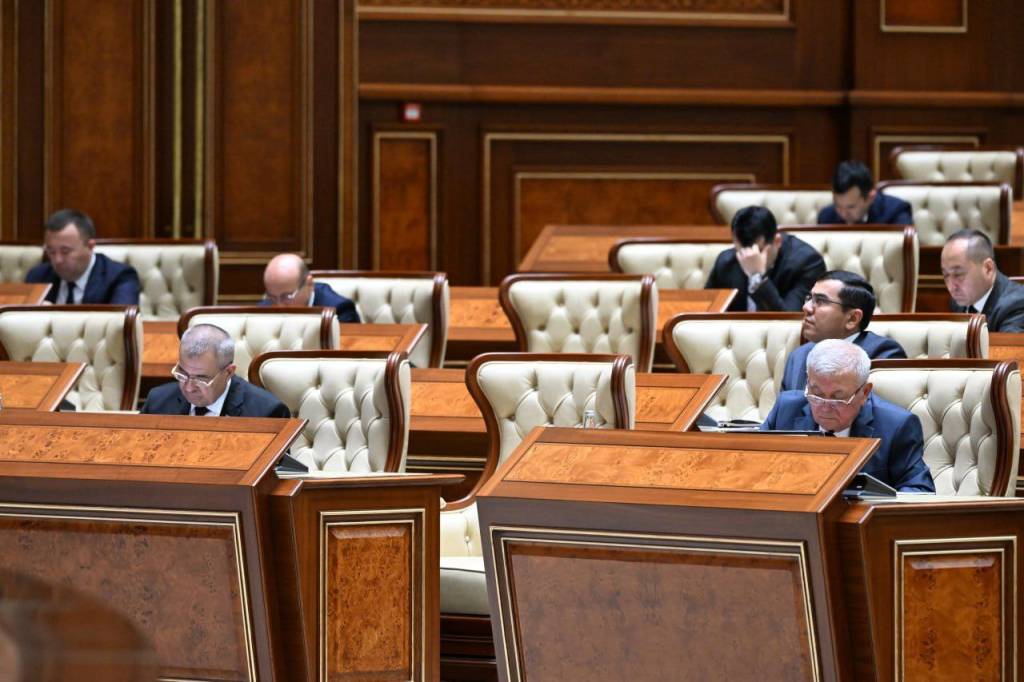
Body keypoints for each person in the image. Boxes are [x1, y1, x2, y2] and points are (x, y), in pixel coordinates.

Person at [762, 339, 935, 492]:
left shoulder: (896, 425)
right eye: (817, 394)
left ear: (865, 392)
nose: (825, 407)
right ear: (808, 382)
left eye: (838, 398)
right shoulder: (786, 409)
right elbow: (755, 469)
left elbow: (919, 490)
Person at [781, 270, 906, 391]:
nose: (806, 307)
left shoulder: (883, 355)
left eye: (821, 301)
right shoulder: (798, 356)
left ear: (852, 318)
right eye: (809, 298)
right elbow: (784, 405)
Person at [141, 323, 289, 417]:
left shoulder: (266, 412)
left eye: (201, 379)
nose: (189, 388)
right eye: (182, 374)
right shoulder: (158, 402)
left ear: (228, 372)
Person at [706, 205, 826, 312]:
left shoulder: (808, 263)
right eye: (741, 251)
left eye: (757, 251)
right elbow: (707, 310)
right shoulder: (726, 261)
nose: (748, 258)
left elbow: (788, 320)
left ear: (777, 241)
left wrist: (757, 277)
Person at [25, 209, 140, 305]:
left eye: (65, 251)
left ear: (90, 246)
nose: (57, 260)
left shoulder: (120, 277)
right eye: (51, 252)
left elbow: (121, 320)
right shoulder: (38, 276)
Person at [941, 229, 1024, 332]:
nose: (951, 287)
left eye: (958, 274)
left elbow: (1006, 342)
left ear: (988, 268)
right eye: (946, 275)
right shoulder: (957, 303)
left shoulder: (1017, 305)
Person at [260, 253, 359, 323]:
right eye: (272, 297)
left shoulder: (339, 311)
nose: (279, 306)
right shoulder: (262, 311)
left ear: (309, 284)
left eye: (287, 297)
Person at [817, 160, 912, 225]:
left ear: (870, 198)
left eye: (850, 207)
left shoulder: (895, 213)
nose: (843, 214)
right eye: (837, 205)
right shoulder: (826, 217)